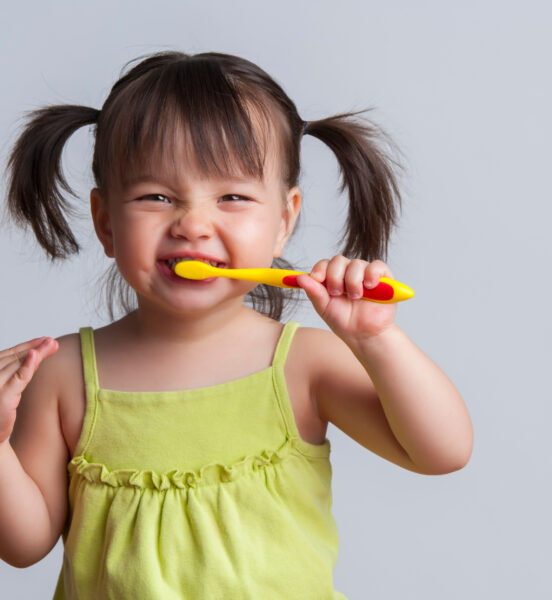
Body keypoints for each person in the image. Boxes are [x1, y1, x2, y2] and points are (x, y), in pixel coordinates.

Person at [0, 51, 473, 599]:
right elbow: (23, 544)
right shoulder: (60, 375)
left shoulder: (303, 364)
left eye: (232, 197)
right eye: (156, 196)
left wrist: (376, 340)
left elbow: (442, 452)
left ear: (283, 221)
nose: (193, 225)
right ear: (106, 222)